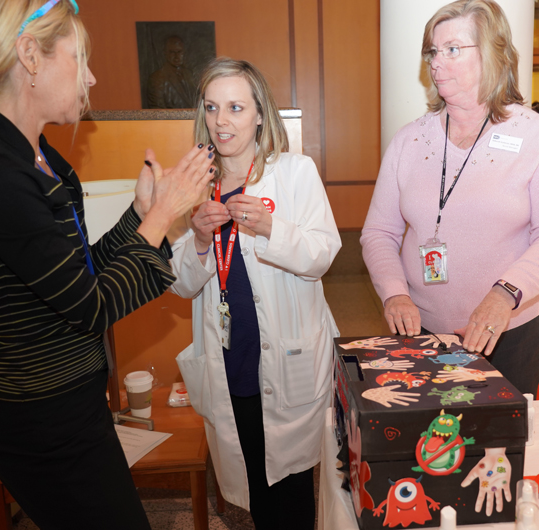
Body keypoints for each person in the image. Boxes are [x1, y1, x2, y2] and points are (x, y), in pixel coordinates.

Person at [0, 1, 214, 528]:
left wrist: (139, 216)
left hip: (69, 406)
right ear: (30, 56)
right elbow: (91, 307)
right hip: (37, 420)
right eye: (79, 57)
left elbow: (77, 276)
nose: (90, 75)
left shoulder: (36, 156)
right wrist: (162, 215)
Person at [360, 0, 539, 395]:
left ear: (494, 54)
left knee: (496, 450)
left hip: (508, 329)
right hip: (420, 330)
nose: (436, 61)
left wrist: (504, 294)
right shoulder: (409, 139)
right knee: (430, 448)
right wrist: (394, 292)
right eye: (432, 51)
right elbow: (379, 232)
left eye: (452, 49)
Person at [170, 57, 341, 530]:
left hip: (289, 361)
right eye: (211, 107)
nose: (222, 121)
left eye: (236, 107)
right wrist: (201, 242)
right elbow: (180, 282)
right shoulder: (195, 185)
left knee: (291, 492)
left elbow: (323, 254)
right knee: (255, 488)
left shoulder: (294, 173)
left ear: (261, 114)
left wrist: (271, 229)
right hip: (230, 360)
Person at [147, 35, 199, 109]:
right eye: (172, 52)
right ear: (165, 53)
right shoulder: (156, 78)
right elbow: (158, 111)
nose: (176, 56)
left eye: (179, 52)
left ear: (184, 52)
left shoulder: (189, 74)